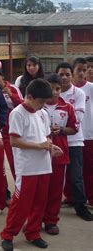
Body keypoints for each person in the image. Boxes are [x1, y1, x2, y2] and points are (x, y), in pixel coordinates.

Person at [0, 79, 62, 251]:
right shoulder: (18, 113)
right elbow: (14, 141)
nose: (43, 105)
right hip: (26, 168)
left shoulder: (42, 113)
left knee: (39, 203)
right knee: (21, 204)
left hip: (43, 165)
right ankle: (8, 234)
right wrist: (39, 146)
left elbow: (45, 137)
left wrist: (51, 146)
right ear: (29, 96)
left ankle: (33, 232)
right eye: (41, 101)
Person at [56, 61, 93, 220]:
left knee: (77, 176)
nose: (64, 78)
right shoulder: (52, 92)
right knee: (57, 176)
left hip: (75, 141)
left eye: (67, 75)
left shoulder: (79, 94)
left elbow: (77, 118)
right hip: (56, 141)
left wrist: (60, 127)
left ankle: (80, 206)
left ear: (72, 76)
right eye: (61, 74)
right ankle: (52, 206)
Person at [43, 74, 78, 235]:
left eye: (58, 89)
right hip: (40, 155)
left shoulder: (67, 107)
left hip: (59, 156)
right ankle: (36, 219)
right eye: (51, 88)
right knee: (39, 190)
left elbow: (74, 128)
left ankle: (51, 221)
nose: (55, 92)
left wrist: (61, 130)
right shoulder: (37, 105)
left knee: (56, 190)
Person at [0, 66, 23, 215]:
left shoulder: (13, 88)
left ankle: (21, 194)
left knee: (16, 166)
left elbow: (23, 105)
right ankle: (5, 195)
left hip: (11, 133)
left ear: (3, 77)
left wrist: (11, 94)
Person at [73, 57, 93, 209]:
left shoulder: (90, 88)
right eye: (78, 70)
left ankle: (90, 198)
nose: (82, 73)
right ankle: (71, 196)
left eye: (84, 70)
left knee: (89, 169)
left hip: (89, 134)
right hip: (72, 136)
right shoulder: (66, 89)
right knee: (73, 171)